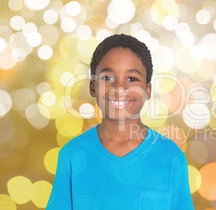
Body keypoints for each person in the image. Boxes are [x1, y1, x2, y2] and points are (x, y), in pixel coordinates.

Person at [47, 34, 194, 210]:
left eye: (132, 79)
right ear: (93, 87)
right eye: (108, 78)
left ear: (148, 90)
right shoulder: (72, 155)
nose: (119, 88)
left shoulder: (171, 157)